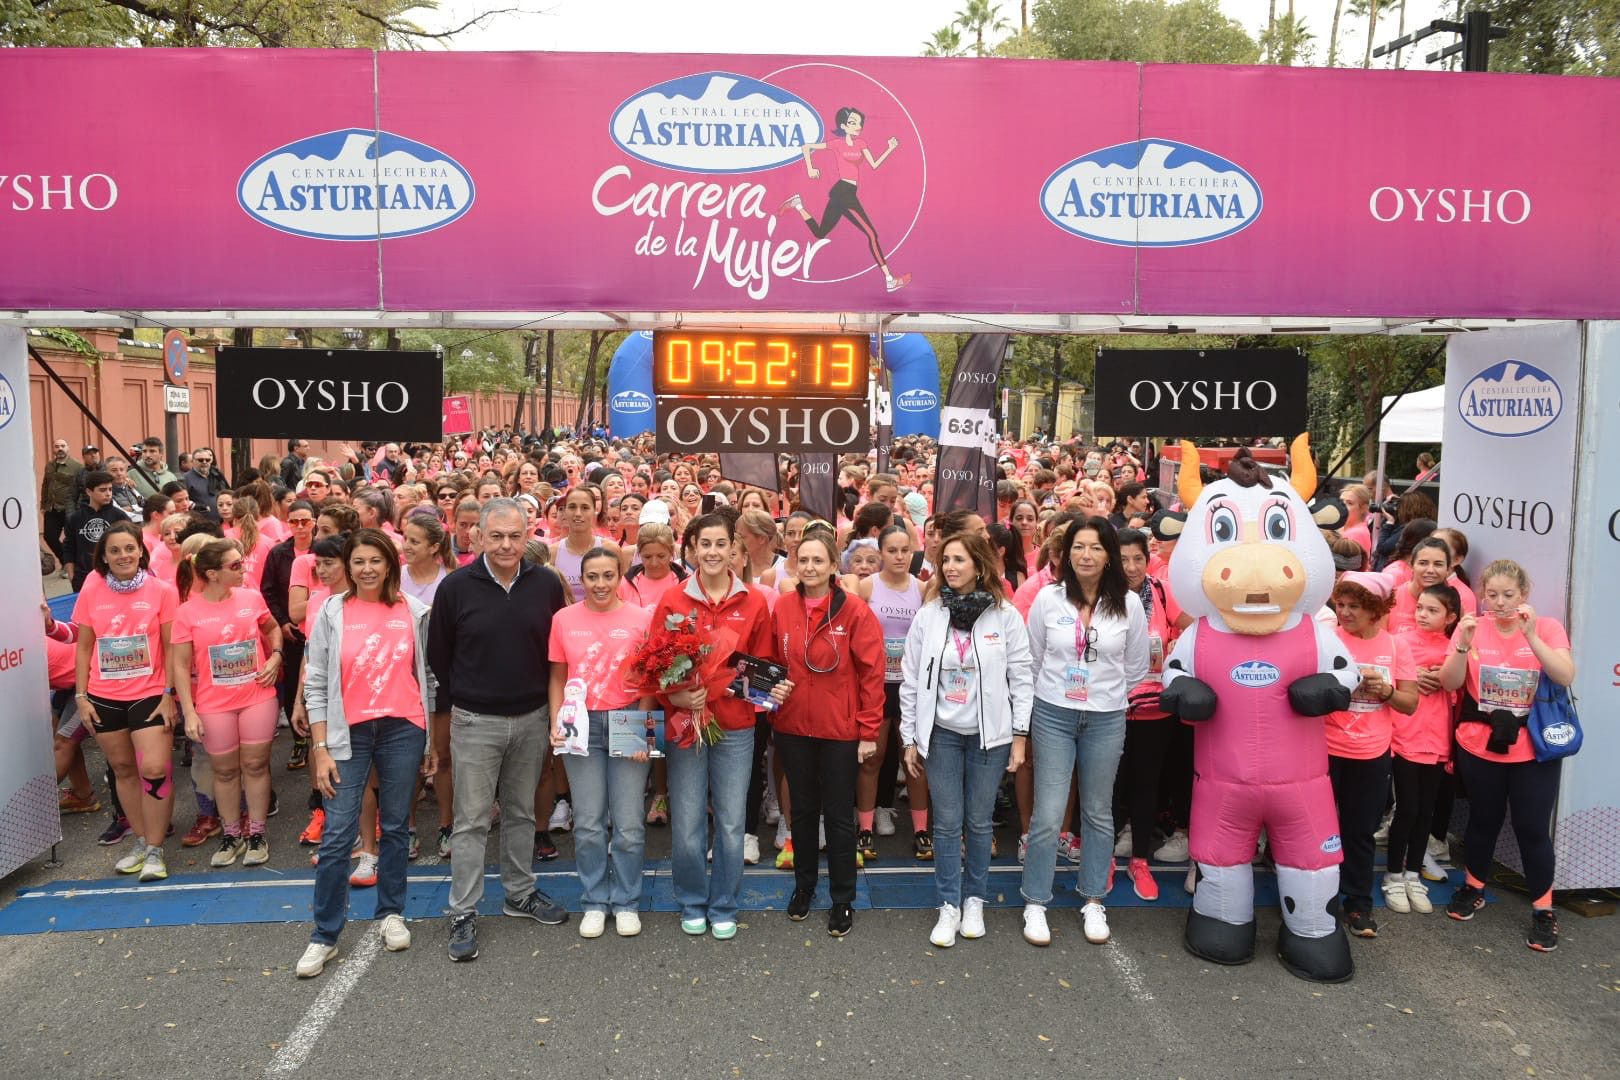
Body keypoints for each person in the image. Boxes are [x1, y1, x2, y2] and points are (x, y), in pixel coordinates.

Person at [427, 498, 570, 963]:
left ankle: (519, 893)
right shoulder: (455, 588)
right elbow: (440, 656)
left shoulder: (546, 584)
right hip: (475, 720)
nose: (507, 545)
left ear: (529, 535)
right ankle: (463, 910)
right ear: (477, 538)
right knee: (470, 821)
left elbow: (555, 651)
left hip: (531, 718)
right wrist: (473, 695)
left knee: (522, 813)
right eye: (497, 536)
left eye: (515, 535)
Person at [296, 529, 438, 978]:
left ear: (390, 564)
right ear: (347, 566)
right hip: (346, 734)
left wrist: (431, 739)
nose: (367, 569)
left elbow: (427, 679)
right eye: (358, 561)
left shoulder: (413, 611)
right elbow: (316, 682)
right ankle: (324, 934)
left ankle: (390, 912)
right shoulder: (332, 612)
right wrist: (319, 747)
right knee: (338, 833)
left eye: (376, 560)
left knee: (397, 825)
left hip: (402, 729)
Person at [899, 531, 1032, 947]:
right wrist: (909, 736)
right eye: (945, 561)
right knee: (947, 823)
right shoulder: (929, 614)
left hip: (989, 739)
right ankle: (948, 905)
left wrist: (1020, 734)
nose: (950, 568)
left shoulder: (1004, 615)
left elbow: (1021, 676)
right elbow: (910, 679)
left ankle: (974, 899)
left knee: (978, 822)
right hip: (940, 736)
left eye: (959, 559)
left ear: (979, 563)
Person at [1021, 517, 1148, 947]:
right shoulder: (1047, 600)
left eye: (1095, 547)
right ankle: (1035, 901)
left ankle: (1093, 898)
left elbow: (1134, 668)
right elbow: (1033, 659)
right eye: (1078, 547)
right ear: (1067, 553)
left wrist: (1104, 695)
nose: (1086, 555)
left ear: (1108, 554)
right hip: (1053, 713)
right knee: (1049, 814)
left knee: (1097, 812)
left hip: (1107, 717)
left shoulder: (1129, 604)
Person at [1438, 560, 1575, 952]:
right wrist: (1462, 642)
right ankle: (1473, 887)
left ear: (1524, 595)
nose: (1499, 603)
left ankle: (1544, 909)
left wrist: (1531, 636)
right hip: (1479, 743)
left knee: (1532, 828)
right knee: (1483, 821)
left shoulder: (1546, 626)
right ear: (1483, 594)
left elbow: (1565, 675)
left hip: (1532, 748)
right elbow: (1450, 682)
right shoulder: (1472, 627)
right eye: (1492, 595)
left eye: (1508, 595)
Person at [649, 513, 773, 940]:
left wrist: (724, 687)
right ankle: (691, 899)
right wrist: (677, 696)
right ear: (692, 550)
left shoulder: (754, 601)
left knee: (732, 822)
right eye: (706, 544)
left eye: (722, 544)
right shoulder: (673, 600)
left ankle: (724, 903)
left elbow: (761, 671)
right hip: (686, 725)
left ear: (734, 549)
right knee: (686, 824)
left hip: (735, 728)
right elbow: (653, 666)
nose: (714, 552)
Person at [772, 530, 885, 937]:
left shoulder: (854, 610)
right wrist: (772, 688)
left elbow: (873, 673)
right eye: (803, 560)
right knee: (801, 811)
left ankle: (842, 898)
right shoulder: (783, 607)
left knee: (839, 815)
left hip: (840, 729)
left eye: (818, 560)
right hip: (793, 726)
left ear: (833, 565)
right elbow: (770, 662)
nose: (810, 567)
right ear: (793, 564)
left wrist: (869, 730)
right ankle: (803, 887)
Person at [547, 548, 655, 939]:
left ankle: (626, 901)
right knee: (589, 823)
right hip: (581, 722)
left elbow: (649, 680)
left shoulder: (642, 618)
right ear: (581, 579)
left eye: (608, 575)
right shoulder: (563, 619)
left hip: (628, 715)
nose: (600, 584)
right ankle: (594, 900)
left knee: (628, 823)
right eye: (592, 576)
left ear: (620, 575)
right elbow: (558, 676)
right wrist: (556, 720)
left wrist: (644, 726)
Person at [72, 521, 180, 882]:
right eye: (115, 550)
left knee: (153, 769)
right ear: (103, 556)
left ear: (140, 550)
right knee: (122, 769)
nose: (123, 556)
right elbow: (84, 646)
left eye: (129, 548)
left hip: (150, 694)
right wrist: (81, 696)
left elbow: (171, 647)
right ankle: (140, 840)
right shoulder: (92, 590)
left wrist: (169, 694)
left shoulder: (162, 590)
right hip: (103, 695)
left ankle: (155, 848)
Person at [170, 539, 285, 869]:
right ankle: (231, 834)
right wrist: (188, 712)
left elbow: (272, 628)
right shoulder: (188, 612)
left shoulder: (251, 597)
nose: (243, 570)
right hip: (213, 702)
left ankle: (257, 834)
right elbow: (179, 665)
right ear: (212, 574)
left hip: (256, 696)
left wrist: (275, 656)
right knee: (224, 771)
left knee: (255, 766)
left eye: (242, 563)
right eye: (235, 566)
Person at [1324, 572, 1417, 939]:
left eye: (1354, 607)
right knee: (1320, 831)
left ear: (1375, 610)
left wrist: (1388, 691)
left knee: (1359, 831)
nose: (1344, 612)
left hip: (1371, 752)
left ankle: (1358, 903)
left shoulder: (1395, 647)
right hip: (1325, 747)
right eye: (1341, 605)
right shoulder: (1327, 639)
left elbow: (1410, 703)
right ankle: (1319, 898)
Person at [1112, 528, 1186, 901]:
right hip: (1112, 708)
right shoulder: (1103, 593)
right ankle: (1104, 860)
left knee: (1146, 787)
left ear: (1148, 558)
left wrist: (1175, 645)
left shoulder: (1160, 590)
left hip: (1155, 708)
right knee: (1109, 787)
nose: (1130, 566)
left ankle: (1140, 860)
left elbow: (1188, 624)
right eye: (1123, 559)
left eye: (1137, 558)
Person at [854, 524, 931, 862]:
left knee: (913, 760)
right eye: (892, 551)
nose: (900, 557)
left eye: (905, 550)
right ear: (881, 553)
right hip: (876, 684)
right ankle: (865, 828)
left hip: (911, 686)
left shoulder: (923, 589)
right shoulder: (866, 586)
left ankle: (921, 830)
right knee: (873, 757)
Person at [1387, 582, 1462, 916]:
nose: (1423, 615)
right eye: (1420, 608)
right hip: (1404, 736)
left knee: (1425, 812)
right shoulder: (1400, 642)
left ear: (1450, 617)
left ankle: (1413, 875)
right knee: (1406, 809)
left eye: (1432, 610)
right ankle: (1392, 875)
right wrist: (1414, 676)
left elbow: (1453, 684)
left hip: (1437, 740)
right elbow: (1388, 678)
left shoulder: (1453, 648)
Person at [64, 470, 128, 592]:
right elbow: (69, 548)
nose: (108, 494)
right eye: (102, 490)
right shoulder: (76, 518)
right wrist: (72, 576)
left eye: (110, 489)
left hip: (114, 577)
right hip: (83, 578)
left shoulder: (120, 516)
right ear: (89, 492)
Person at [42, 438, 84, 574]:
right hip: (52, 508)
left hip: (69, 509)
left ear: (68, 448)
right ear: (53, 449)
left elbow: (81, 489)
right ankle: (65, 562)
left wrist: (78, 508)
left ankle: (71, 567)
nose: (60, 448)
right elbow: (46, 485)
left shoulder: (77, 467)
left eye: (63, 446)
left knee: (69, 539)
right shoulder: (49, 465)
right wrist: (43, 504)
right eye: (57, 446)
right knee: (49, 536)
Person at [184, 447, 226, 521]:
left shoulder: (217, 475)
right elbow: (184, 501)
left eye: (207, 460)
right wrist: (198, 507)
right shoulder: (186, 478)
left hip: (220, 522)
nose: (204, 462)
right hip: (199, 523)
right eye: (200, 460)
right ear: (193, 461)